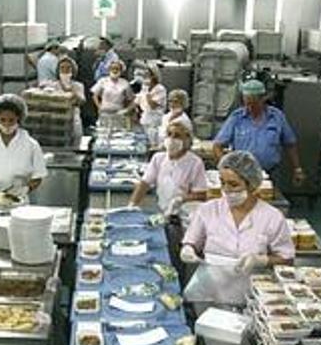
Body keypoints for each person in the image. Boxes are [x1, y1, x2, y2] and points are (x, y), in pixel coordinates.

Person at [180, 151, 294, 304]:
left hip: (250, 296)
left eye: (233, 184)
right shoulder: (208, 210)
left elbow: (286, 258)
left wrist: (260, 260)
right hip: (208, 292)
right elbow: (192, 241)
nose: (226, 189)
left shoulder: (271, 217)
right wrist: (188, 249)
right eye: (222, 182)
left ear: (252, 184)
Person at [214, 79, 304, 185]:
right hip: (242, 174)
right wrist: (226, 168)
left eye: (254, 104)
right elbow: (217, 145)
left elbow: (290, 144)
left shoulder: (277, 117)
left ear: (263, 99)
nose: (250, 108)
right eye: (247, 104)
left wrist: (297, 169)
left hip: (271, 173)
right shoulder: (237, 117)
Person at [129, 121, 208, 217]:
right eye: (169, 134)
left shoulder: (195, 163)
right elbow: (144, 184)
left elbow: (201, 194)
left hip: (184, 214)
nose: (171, 139)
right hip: (161, 209)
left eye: (177, 136)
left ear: (187, 140)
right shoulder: (158, 158)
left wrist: (181, 199)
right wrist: (132, 205)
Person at [40, 55, 87, 146]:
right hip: (58, 121)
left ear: (73, 70)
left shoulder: (78, 85)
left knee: (75, 144)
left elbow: (82, 101)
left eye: (68, 68)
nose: (65, 70)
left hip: (74, 121)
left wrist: (72, 92)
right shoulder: (53, 86)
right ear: (58, 70)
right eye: (62, 68)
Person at [92, 59, 135, 126]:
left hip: (118, 113)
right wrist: (99, 107)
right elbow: (95, 95)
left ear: (121, 71)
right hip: (104, 112)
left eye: (117, 69)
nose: (115, 71)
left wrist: (126, 110)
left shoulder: (125, 83)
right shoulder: (103, 81)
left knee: (118, 134)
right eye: (112, 68)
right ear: (109, 69)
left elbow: (132, 100)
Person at [136, 66, 168, 146]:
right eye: (145, 75)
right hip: (145, 120)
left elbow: (152, 105)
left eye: (148, 75)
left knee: (153, 142)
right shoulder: (144, 88)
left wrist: (147, 92)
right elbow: (137, 100)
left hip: (154, 122)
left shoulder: (160, 89)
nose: (145, 77)